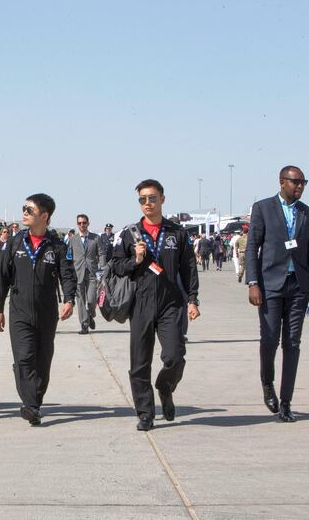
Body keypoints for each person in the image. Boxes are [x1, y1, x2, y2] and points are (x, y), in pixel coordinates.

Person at [112, 179, 200, 431]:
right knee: (139, 363)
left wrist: (192, 299)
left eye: (152, 198)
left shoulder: (177, 233)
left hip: (171, 303)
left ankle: (165, 387)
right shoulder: (129, 234)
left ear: (162, 199)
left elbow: (189, 268)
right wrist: (135, 260)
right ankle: (145, 412)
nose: (147, 203)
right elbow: (117, 266)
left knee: (174, 356)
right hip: (140, 303)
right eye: (142, 199)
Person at [246, 166, 309, 423]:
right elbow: (252, 248)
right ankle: (267, 382)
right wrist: (253, 282)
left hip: (298, 287)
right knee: (269, 339)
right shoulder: (263, 208)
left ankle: (286, 402)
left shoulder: (307, 214)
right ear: (282, 182)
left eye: (304, 182)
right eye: (296, 182)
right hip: (270, 285)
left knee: (292, 343)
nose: (300, 187)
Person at [0, 194, 77, 426]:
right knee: (24, 357)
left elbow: (67, 275)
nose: (24, 213)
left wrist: (69, 299)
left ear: (44, 215)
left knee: (42, 360)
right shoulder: (15, 242)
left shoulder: (57, 246)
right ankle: (31, 406)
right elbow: (2, 277)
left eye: (29, 210)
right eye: (24, 209)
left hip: (47, 312)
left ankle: (34, 402)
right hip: (19, 311)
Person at [69, 213, 106, 334]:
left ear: (88, 223)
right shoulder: (73, 239)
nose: (82, 225)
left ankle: (90, 315)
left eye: (84, 223)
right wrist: (70, 272)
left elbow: (101, 254)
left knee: (91, 299)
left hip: (92, 273)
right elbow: (69, 256)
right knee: (80, 300)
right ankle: (84, 324)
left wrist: (102, 269)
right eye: (79, 223)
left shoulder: (95, 238)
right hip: (78, 273)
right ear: (77, 224)